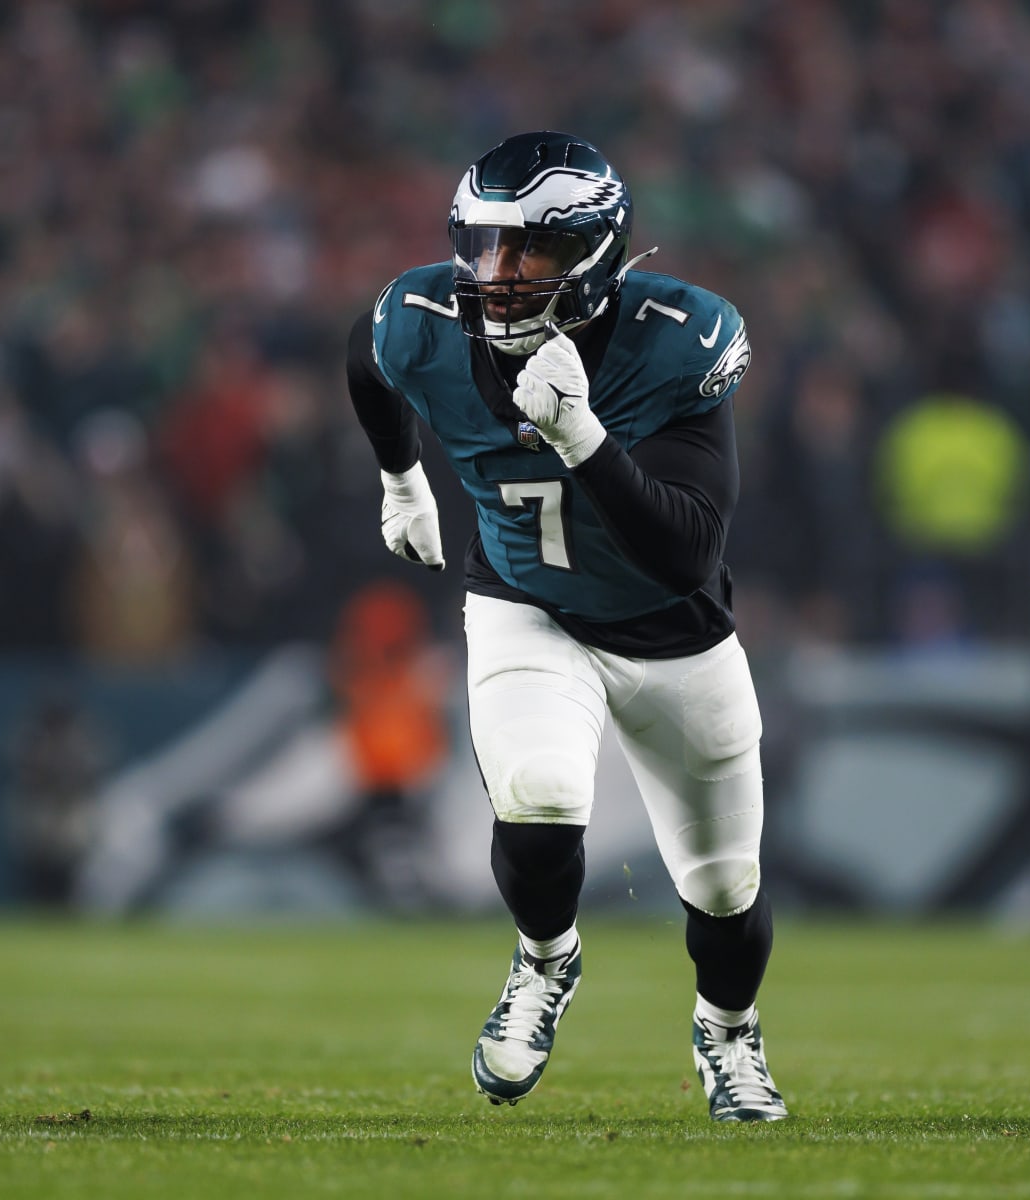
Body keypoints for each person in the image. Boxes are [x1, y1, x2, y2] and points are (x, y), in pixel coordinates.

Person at [345, 132, 782, 1122]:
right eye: (487, 247)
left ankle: (727, 1032)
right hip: (528, 609)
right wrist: (400, 476)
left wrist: (585, 440)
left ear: (594, 251)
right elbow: (364, 360)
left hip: (676, 631)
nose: (498, 277)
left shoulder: (678, 341)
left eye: (530, 252)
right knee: (538, 796)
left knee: (724, 887)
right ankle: (546, 960)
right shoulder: (422, 317)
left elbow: (686, 552)